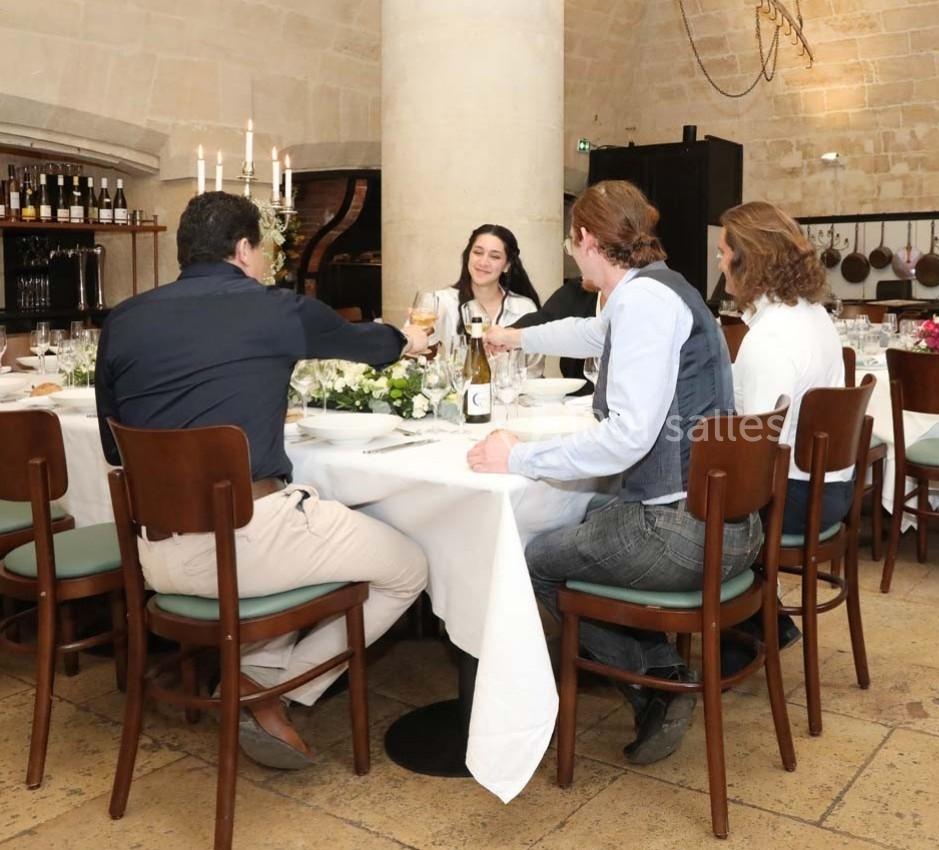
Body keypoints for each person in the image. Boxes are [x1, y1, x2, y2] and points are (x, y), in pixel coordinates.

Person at [95, 191, 433, 770]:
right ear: (244, 249)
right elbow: (364, 346)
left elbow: (111, 444)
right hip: (247, 542)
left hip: (156, 556)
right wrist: (408, 341)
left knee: (293, 549)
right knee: (409, 569)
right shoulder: (274, 309)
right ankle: (272, 691)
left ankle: (257, 675)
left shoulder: (124, 318)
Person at [467, 180, 762, 765]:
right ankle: (652, 669)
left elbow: (628, 437)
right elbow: (588, 333)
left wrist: (517, 456)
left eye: (571, 242)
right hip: (722, 520)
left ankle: (652, 680)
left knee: (536, 557)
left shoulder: (644, 303)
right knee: (574, 512)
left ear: (586, 239)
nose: (572, 253)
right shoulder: (656, 289)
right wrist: (517, 335)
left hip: (687, 532)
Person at [716, 201, 850, 672]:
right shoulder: (812, 313)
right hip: (829, 489)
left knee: (685, 505)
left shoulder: (770, 338)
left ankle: (732, 637)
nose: (719, 262)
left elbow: (753, 457)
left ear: (746, 261)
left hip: (794, 497)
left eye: (723, 252)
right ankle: (765, 623)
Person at [436, 224, 541, 342]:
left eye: (495, 256)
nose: (483, 262)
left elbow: (534, 359)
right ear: (468, 256)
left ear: (507, 265)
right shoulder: (440, 302)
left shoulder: (524, 308)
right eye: (478, 252)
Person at [511, 275, 602, 388]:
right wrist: (507, 334)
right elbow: (544, 319)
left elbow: (585, 336)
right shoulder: (577, 289)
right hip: (576, 401)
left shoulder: (626, 302)